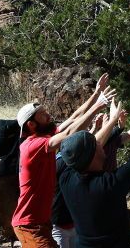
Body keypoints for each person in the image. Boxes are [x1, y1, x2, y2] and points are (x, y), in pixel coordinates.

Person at [58, 85, 130, 248]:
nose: (100, 142)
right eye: (96, 143)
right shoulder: (110, 184)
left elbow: (87, 151)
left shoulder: (66, 177)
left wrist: (113, 119)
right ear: (92, 155)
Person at [11, 73, 116, 248]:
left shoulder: (44, 136)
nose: (48, 116)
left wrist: (96, 94)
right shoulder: (32, 145)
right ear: (31, 125)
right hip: (29, 225)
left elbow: (75, 117)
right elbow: (69, 134)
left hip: (42, 222)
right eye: (43, 114)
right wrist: (99, 105)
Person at [51, 104, 130, 247]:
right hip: (62, 220)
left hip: (101, 194)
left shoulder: (111, 139)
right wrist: (110, 120)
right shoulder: (74, 159)